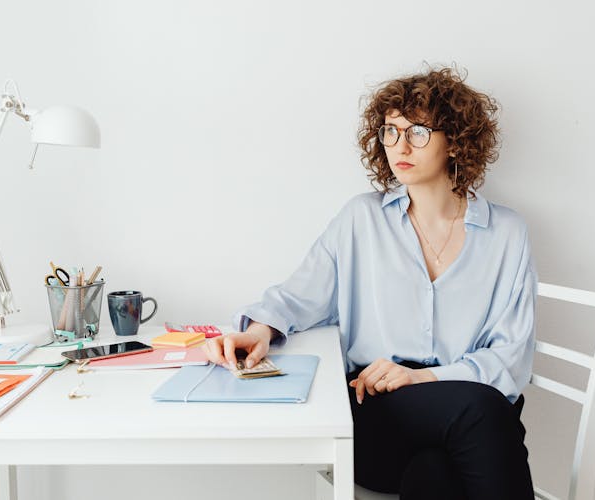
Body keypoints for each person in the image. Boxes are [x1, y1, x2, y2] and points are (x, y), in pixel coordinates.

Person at [202, 66, 536, 500]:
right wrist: (257, 331)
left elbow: (510, 359)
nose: (400, 144)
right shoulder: (361, 218)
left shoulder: (507, 232)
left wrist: (424, 379)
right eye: (390, 131)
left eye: (418, 132)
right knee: (482, 411)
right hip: (380, 415)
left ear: (455, 140)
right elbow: (299, 294)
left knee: (436, 472)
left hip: (466, 416)